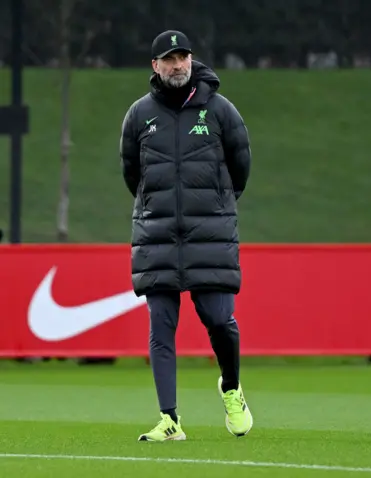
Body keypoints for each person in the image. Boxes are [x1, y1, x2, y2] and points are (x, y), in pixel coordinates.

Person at [119, 30, 252, 442]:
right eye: (168, 59)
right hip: (157, 237)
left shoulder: (221, 110)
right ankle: (169, 419)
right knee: (161, 327)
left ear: (191, 60)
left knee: (220, 321)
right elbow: (131, 174)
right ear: (155, 67)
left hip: (208, 236)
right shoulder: (139, 115)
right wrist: (159, 209)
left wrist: (213, 204)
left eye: (183, 57)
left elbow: (241, 166)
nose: (177, 65)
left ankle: (231, 387)